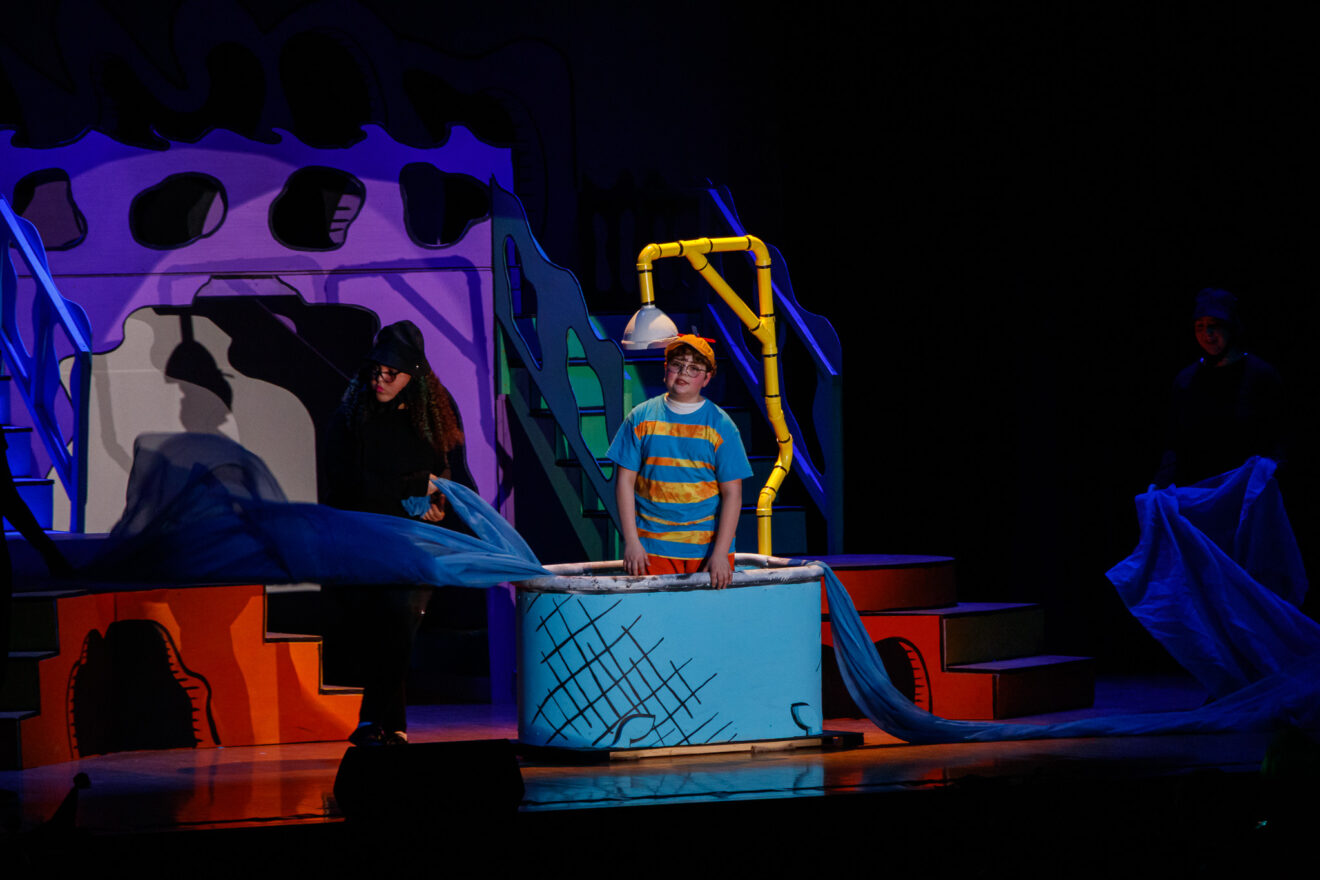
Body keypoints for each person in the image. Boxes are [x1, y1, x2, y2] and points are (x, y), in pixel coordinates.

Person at [321, 320, 473, 746]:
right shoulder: (352, 416)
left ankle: (373, 721)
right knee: (381, 633)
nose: (381, 379)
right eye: (377, 370)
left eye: (392, 373)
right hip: (365, 541)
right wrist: (416, 486)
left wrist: (439, 501)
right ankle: (395, 726)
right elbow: (348, 483)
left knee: (400, 627)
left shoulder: (432, 416)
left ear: (414, 375)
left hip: (414, 543)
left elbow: (446, 471)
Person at [606, 334, 753, 589]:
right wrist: (631, 541)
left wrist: (720, 553)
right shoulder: (640, 417)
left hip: (705, 550)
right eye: (677, 364)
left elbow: (733, 493)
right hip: (652, 548)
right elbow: (624, 482)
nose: (684, 372)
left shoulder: (721, 426)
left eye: (694, 368)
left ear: (706, 378)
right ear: (666, 369)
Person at [1153, 288, 1285, 488]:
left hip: (1247, 490)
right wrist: (1160, 484)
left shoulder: (1261, 376)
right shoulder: (1185, 381)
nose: (1207, 334)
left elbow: (1280, 436)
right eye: (1200, 326)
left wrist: (1270, 473)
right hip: (1198, 491)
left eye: (1214, 325)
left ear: (1231, 327)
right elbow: (1173, 443)